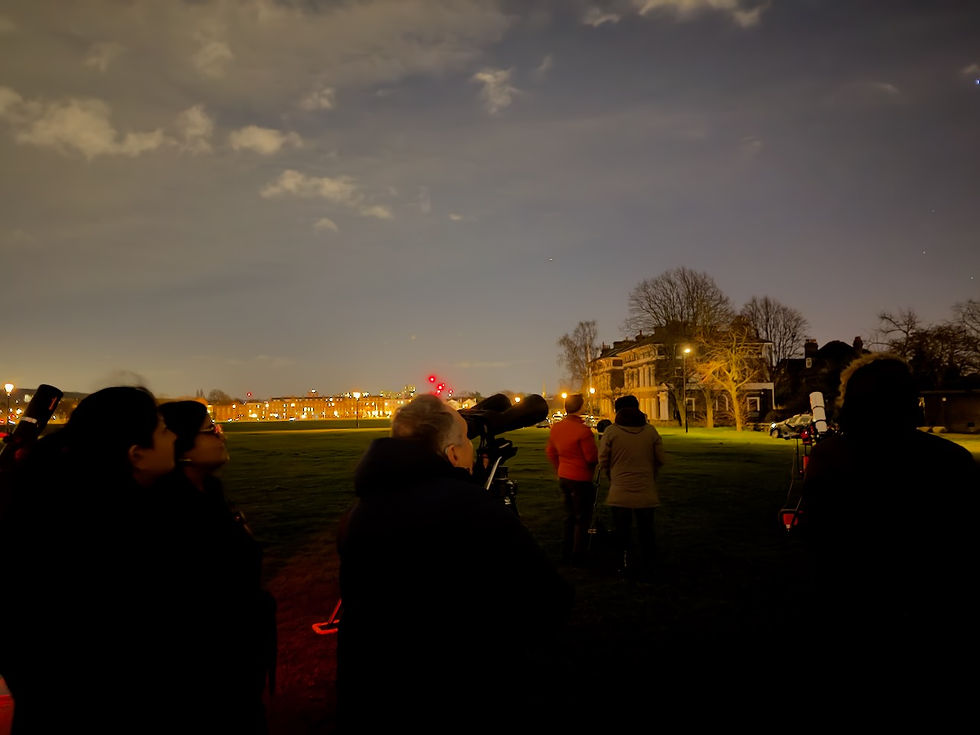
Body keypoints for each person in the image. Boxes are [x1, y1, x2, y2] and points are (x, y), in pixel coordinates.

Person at [336, 394, 573, 732]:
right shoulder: (473, 510)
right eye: (465, 439)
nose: (472, 448)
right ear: (452, 453)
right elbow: (549, 600)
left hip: (371, 698)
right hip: (457, 701)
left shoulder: (359, 515)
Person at [800, 354, 979, 706]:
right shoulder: (950, 460)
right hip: (932, 609)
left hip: (851, 606)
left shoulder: (831, 455)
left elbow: (817, 532)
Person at [0, 386, 182, 734]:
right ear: (135, 454)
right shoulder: (110, 544)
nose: (174, 435)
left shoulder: (67, 517)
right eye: (162, 429)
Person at [158, 401, 276, 735]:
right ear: (182, 447)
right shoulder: (174, 514)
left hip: (238, 661)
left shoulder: (210, 493)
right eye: (211, 429)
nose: (221, 434)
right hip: (208, 673)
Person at [598, 395, 666, 579]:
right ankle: (649, 564)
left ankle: (623, 563)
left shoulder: (611, 432)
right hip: (645, 489)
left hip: (620, 489)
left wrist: (611, 475)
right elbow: (660, 458)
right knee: (646, 531)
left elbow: (603, 459)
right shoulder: (650, 432)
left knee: (622, 532)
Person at [545, 393, 599, 565]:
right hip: (581, 478)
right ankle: (578, 553)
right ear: (581, 407)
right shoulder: (583, 431)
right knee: (582, 517)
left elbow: (551, 452)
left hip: (564, 475)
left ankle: (566, 550)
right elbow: (591, 457)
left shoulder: (557, 428)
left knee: (569, 516)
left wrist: (559, 468)